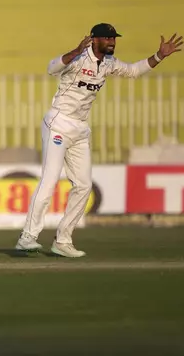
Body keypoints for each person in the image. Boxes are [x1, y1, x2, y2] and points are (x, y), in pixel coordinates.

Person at [15, 23, 182, 258]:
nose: (112, 42)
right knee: (50, 180)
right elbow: (51, 68)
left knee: (83, 185)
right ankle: (27, 237)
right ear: (94, 39)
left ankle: (63, 240)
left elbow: (134, 71)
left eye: (114, 38)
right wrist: (75, 50)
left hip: (81, 128)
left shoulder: (109, 63)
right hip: (59, 122)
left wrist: (158, 56)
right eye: (107, 38)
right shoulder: (78, 58)